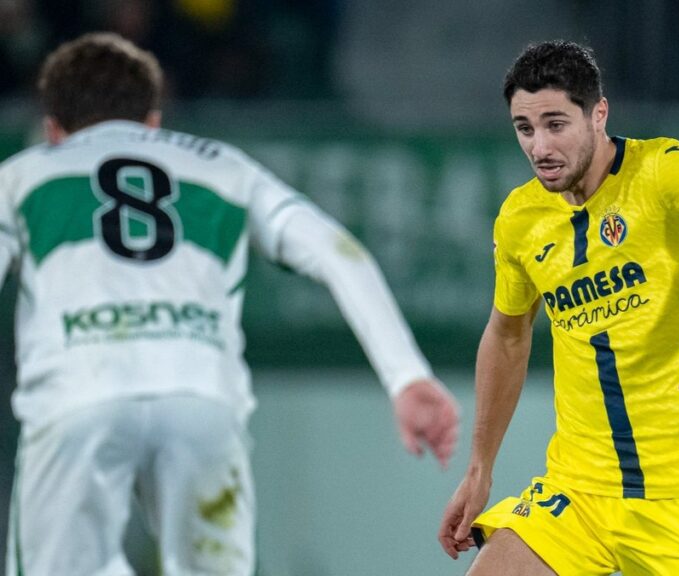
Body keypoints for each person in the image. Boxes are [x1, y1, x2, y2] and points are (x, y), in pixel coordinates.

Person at [0, 32, 460, 576]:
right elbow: (337, 253)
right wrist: (406, 375)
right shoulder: (223, 166)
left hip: (77, 396)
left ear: (53, 128)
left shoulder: (23, 174)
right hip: (202, 396)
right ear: (153, 122)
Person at [438, 40, 679, 575]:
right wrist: (480, 469)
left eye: (555, 124)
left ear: (598, 114)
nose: (540, 146)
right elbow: (507, 334)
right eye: (525, 128)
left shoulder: (663, 172)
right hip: (579, 491)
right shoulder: (520, 218)